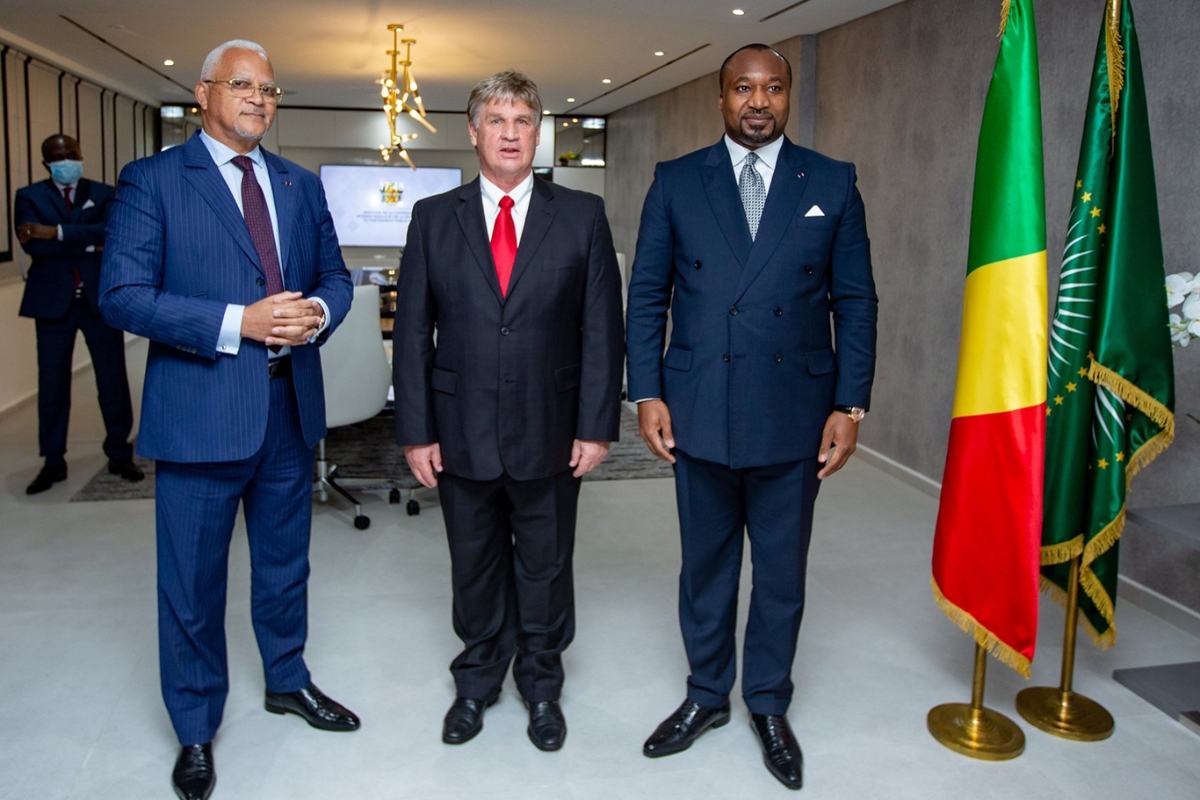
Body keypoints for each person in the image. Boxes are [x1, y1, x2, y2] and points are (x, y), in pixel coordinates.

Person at [99, 40, 357, 800]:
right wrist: (235, 322)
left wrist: (319, 312)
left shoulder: (300, 184)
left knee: (285, 568)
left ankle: (287, 680)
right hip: (200, 414)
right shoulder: (153, 181)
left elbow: (335, 277)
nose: (258, 99)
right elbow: (122, 295)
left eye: (270, 89)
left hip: (287, 410)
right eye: (242, 84)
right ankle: (194, 727)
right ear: (203, 92)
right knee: (191, 583)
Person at [625, 44, 878, 790]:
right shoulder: (676, 181)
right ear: (722, 98)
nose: (757, 101)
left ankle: (767, 702)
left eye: (772, 88)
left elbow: (855, 301)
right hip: (699, 405)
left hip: (795, 412)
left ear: (789, 97)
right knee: (705, 569)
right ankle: (707, 696)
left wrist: (850, 403)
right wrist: (647, 392)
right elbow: (647, 295)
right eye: (743, 87)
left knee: (780, 573)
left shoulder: (832, 181)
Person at [394, 70, 624, 752]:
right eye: (496, 120)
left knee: (545, 567)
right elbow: (413, 333)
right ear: (474, 133)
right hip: (459, 429)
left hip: (551, 430)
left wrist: (595, 426)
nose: (510, 133)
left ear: (538, 132)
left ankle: (542, 686)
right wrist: (416, 432)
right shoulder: (433, 218)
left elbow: (601, 330)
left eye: (523, 120)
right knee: (473, 565)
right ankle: (476, 682)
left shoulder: (581, 215)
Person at [14, 134, 142, 494]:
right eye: (58, 156)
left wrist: (54, 232)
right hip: (52, 304)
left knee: (112, 381)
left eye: (70, 153)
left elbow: (111, 233)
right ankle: (53, 461)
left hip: (98, 300)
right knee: (52, 386)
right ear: (46, 163)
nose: (66, 160)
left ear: (80, 155)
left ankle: (119, 453)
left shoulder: (103, 193)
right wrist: (87, 243)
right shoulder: (29, 196)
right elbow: (33, 245)